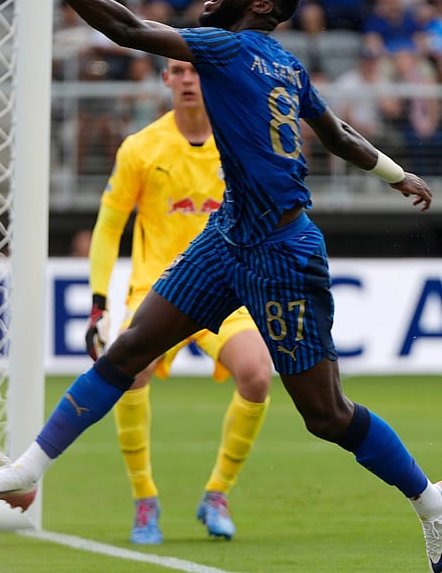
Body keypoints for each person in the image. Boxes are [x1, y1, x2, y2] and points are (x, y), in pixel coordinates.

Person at [0, 0, 442, 572]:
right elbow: (335, 133)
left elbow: (124, 28)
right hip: (228, 235)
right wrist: (396, 173)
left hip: (282, 253)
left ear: (259, 4)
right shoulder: (285, 64)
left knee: (326, 415)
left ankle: (431, 500)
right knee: (126, 352)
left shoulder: (225, 48)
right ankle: (26, 469)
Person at [83, 58, 275, 544]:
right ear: (165, 79)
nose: (188, 79)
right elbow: (109, 228)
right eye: (177, 70)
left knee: (256, 373)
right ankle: (145, 499)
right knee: (131, 371)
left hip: (226, 288)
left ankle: (218, 493)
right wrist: (99, 303)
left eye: (195, 70)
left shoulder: (239, 143)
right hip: (158, 290)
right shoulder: (141, 148)